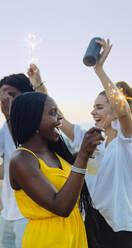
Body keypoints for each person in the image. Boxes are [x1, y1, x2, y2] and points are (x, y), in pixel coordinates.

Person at [59, 39, 132, 247]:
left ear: (114, 110)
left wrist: (99, 70)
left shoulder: (126, 140)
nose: (93, 112)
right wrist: (37, 84)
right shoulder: (91, 139)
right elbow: (60, 120)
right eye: (93, 107)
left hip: (121, 229)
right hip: (91, 223)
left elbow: (124, 111)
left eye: (99, 107)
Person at [9, 91, 104, 247]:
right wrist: (82, 156)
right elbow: (61, 207)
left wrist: (84, 153)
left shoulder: (56, 153)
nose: (59, 118)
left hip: (74, 234)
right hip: (49, 239)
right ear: (33, 121)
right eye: (53, 113)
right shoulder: (21, 159)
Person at [0, 69, 45, 248]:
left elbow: (24, 151)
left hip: (29, 215)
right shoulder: (6, 126)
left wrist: (9, 116)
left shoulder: (40, 125)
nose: (5, 99)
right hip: (7, 213)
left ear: (26, 96)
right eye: (1, 95)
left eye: (11, 94)